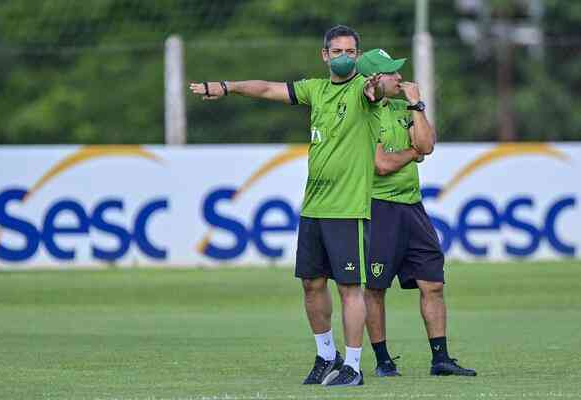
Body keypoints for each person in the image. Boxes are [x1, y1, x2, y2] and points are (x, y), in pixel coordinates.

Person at [190, 25, 384, 387]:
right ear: (325, 55)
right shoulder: (315, 89)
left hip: (348, 209)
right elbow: (265, 88)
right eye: (338, 51)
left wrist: (377, 86)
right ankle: (327, 356)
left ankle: (354, 368)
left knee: (349, 289)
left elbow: (381, 89)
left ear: (359, 55)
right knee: (311, 284)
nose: (345, 57)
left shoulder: (363, 89)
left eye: (351, 52)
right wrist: (227, 87)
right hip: (314, 208)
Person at [355, 48, 477, 377]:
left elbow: (427, 145)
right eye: (391, 73)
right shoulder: (361, 113)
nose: (399, 77)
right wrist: (413, 151)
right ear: (373, 79)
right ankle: (383, 361)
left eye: (398, 72)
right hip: (377, 209)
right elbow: (381, 164)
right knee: (376, 288)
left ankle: (441, 359)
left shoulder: (404, 107)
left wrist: (417, 106)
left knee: (433, 284)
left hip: (413, 206)